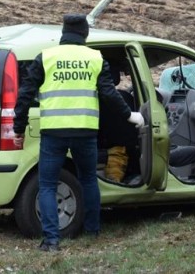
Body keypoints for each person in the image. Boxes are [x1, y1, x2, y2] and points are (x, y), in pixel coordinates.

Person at [13, 14, 145, 252]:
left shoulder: (46, 57)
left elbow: (25, 94)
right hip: (85, 131)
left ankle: (51, 240)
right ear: (85, 34)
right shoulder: (95, 58)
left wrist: (19, 129)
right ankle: (93, 230)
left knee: (48, 186)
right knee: (88, 180)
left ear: (63, 33)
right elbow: (109, 94)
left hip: (53, 133)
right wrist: (130, 115)